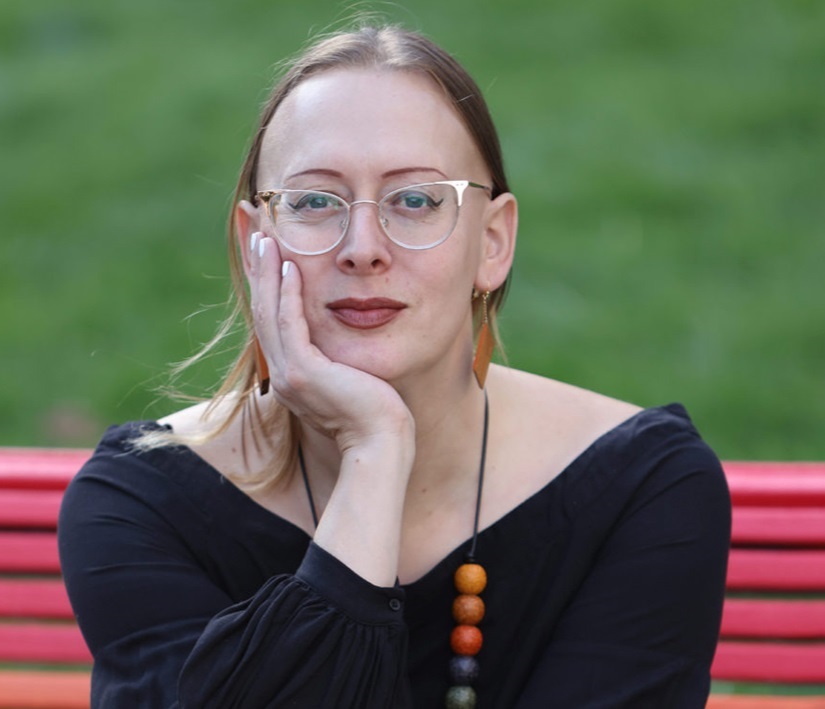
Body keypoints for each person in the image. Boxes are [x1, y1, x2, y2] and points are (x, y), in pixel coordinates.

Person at [58, 23, 731, 709]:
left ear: (492, 243)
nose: (362, 247)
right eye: (315, 201)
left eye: (414, 200)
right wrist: (375, 450)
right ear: (256, 242)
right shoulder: (141, 503)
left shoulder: (642, 487)